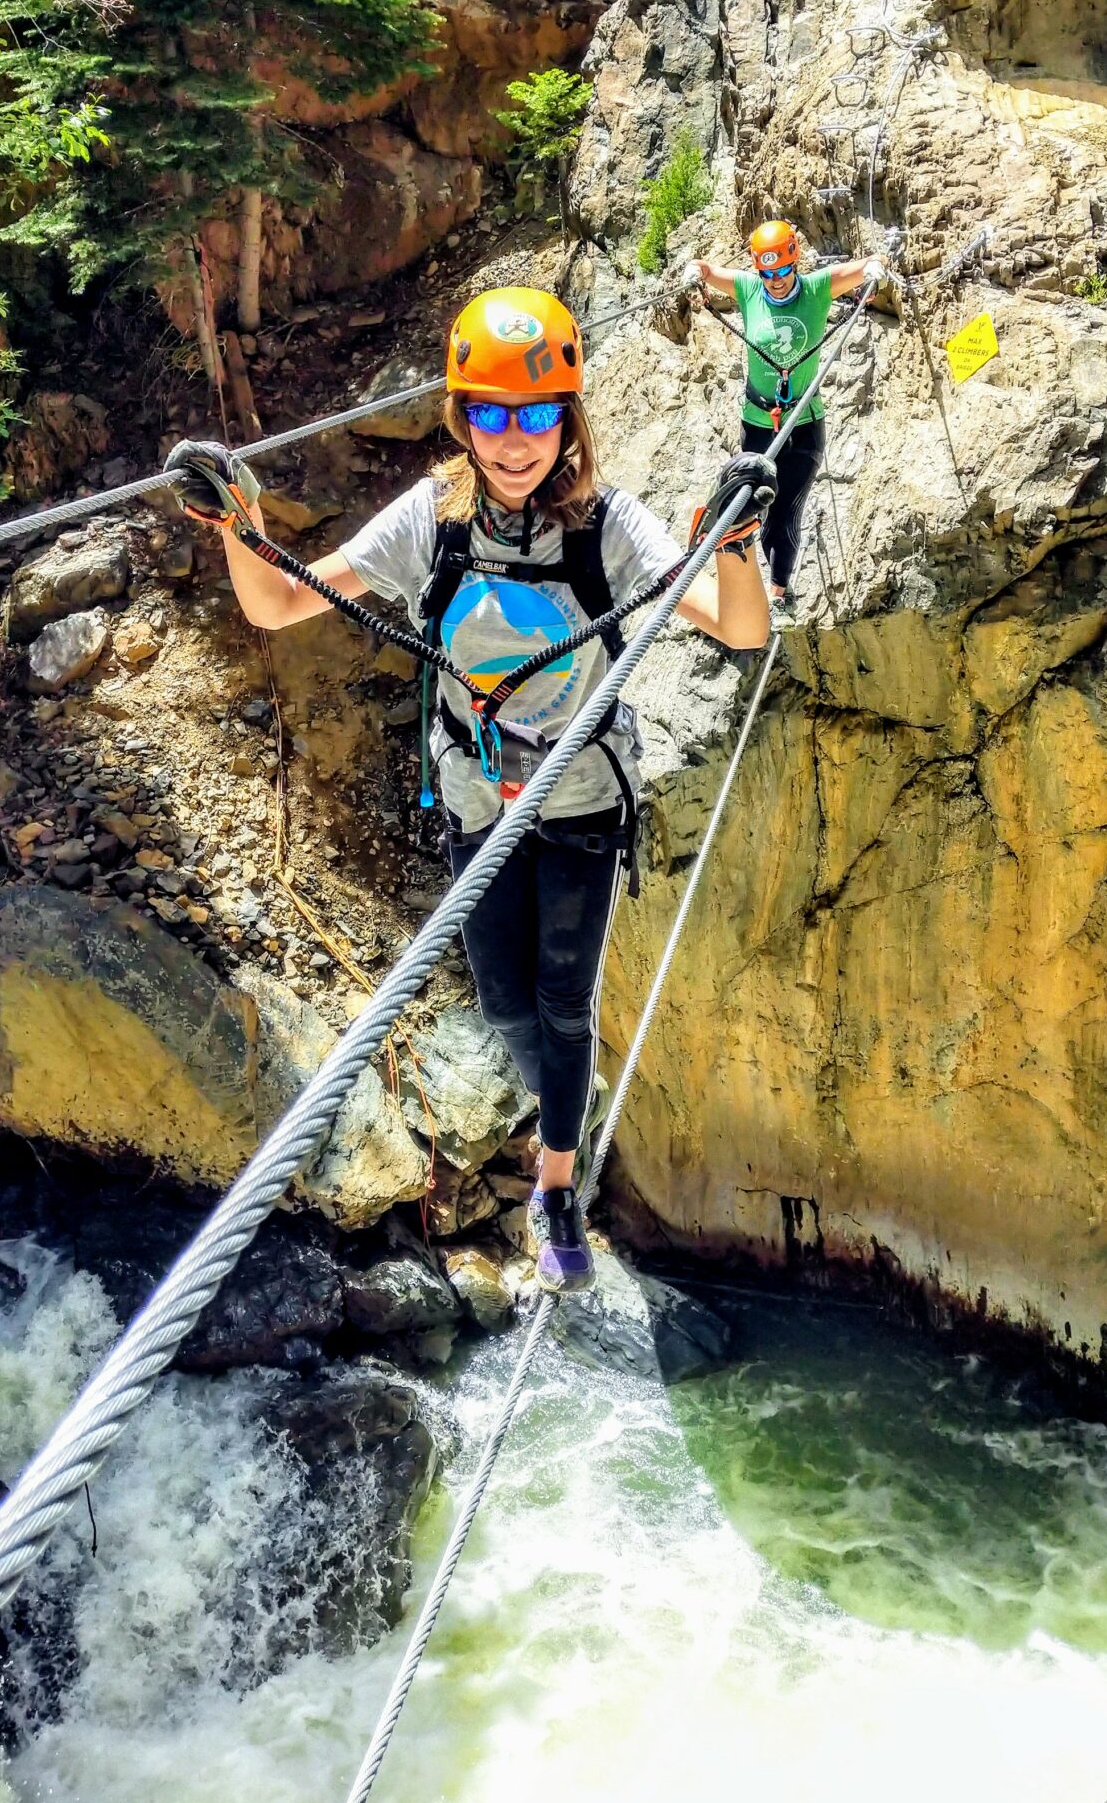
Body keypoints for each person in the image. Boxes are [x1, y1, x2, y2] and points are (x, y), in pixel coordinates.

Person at [168, 289, 773, 1295]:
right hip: (475, 800)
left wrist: (740, 544)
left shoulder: (608, 525)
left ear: (568, 418)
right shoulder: (431, 522)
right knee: (503, 1003)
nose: (513, 439)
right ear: (460, 418)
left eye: (535, 415)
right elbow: (277, 602)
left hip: (578, 798)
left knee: (561, 1004)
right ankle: (562, 1114)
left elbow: (739, 627)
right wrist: (238, 521)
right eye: (489, 413)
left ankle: (558, 1182)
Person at [689, 223, 887, 612]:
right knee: (754, 506)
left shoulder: (815, 290)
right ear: (758, 270)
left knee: (784, 510)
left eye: (782, 271)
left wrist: (876, 271)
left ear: (794, 262)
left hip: (804, 425)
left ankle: (780, 592)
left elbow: (871, 263)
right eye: (768, 274)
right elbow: (706, 269)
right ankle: (758, 580)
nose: (776, 281)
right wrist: (695, 276)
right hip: (758, 424)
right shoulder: (748, 290)